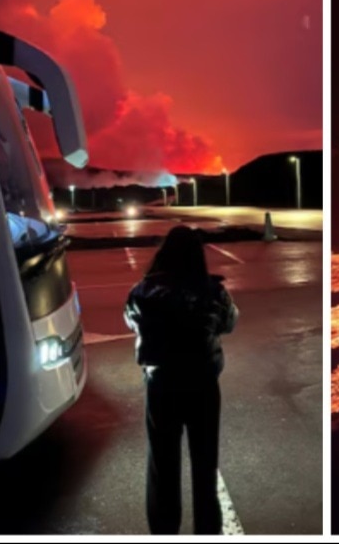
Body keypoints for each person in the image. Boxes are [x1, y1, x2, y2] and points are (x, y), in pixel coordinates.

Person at [124, 226, 238, 534]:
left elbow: (131, 321)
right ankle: (206, 531)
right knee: (205, 467)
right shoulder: (213, 291)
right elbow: (229, 323)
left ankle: (164, 531)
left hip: (161, 386)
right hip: (202, 386)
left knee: (162, 467)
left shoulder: (143, 292)